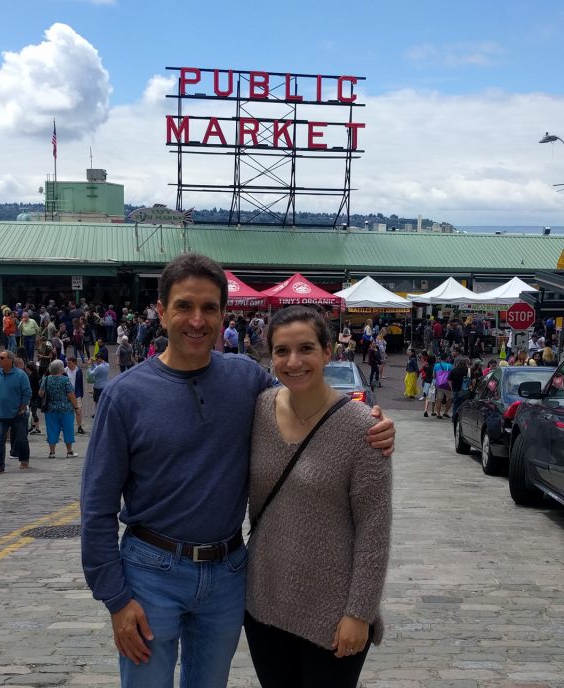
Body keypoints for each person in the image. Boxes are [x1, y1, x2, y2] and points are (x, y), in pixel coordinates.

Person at [80, 253, 394, 688]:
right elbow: (96, 508)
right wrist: (116, 599)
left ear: (223, 314)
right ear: (161, 309)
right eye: (184, 306)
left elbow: (306, 399)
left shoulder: (247, 380)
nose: (197, 319)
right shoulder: (125, 396)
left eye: (209, 307)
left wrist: (370, 422)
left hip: (227, 573)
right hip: (151, 574)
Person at [245, 306, 391, 688]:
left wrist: (360, 612)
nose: (294, 361)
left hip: (332, 612)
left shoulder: (363, 429)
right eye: (281, 351)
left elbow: (374, 531)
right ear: (270, 356)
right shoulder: (257, 411)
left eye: (306, 348)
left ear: (328, 352)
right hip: (264, 602)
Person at [0, 349, 32, 473]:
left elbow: (27, 393)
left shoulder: (20, 375)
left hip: (17, 413)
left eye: (2, 358)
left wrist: (22, 408)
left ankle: (24, 459)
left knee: (21, 438)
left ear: (10, 360)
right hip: (1, 414)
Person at [38, 359, 80, 459]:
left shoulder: (46, 379)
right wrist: (77, 407)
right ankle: (69, 451)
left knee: (51, 430)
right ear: (61, 369)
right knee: (68, 429)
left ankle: (52, 452)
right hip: (66, 409)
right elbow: (71, 395)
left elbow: (41, 394)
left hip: (51, 409)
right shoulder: (65, 380)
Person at [65, 356, 86, 434]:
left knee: (78, 411)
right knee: (68, 412)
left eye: (69, 363)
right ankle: (67, 427)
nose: (68, 364)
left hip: (76, 394)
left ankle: (79, 427)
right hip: (67, 394)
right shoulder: (65, 371)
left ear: (74, 362)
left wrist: (81, 394)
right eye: (67, 362)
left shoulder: (79, 371)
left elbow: (80, 383)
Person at [85, 349, 110, 414]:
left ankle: (97, 413)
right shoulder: (107, 365)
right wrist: (94, 364)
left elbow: (91, 373)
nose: (96, 359)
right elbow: (98, 368)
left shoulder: (99, 367)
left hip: (98, 386)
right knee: (103, 400)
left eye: (97, 358)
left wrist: (90, 365)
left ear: (100, 359)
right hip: (105, 385)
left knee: (97, 401)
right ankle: (102, 412)